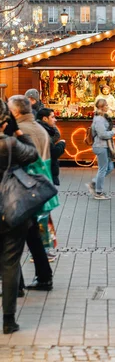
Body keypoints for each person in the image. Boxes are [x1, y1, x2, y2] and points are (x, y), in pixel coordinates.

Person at [8, 95, 55, 292]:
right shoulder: (38, 128)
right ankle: (44, 277)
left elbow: (17, 159)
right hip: (35, 189)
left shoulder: (21, 131)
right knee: (31, 234)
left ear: (16, 111)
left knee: (13, 238)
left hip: (21, 190)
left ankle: (16, 284)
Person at [0, 100, 39, 334]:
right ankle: (8, 320)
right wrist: (16, 130)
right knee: (10, 262)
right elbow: (32, 154)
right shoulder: (11, 144)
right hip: (11, 207)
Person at [86, 98, 115, 200]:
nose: (108, 106)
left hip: (105, 146)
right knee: (102, 169)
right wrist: (113, 132)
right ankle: (98, 192)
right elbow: (102, 134)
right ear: (101, 107)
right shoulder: (99, 119)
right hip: (100, 146)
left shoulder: (102, 117)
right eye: (106, 105)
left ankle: (94, 183)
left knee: (110, 167)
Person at [36, 108, 66, 186]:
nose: (55, 120)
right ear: (45, 119)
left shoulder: (45, 129)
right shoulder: (44, 132)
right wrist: (61, 144)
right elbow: (53, 153)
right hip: (45, 171)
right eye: (52, 117)